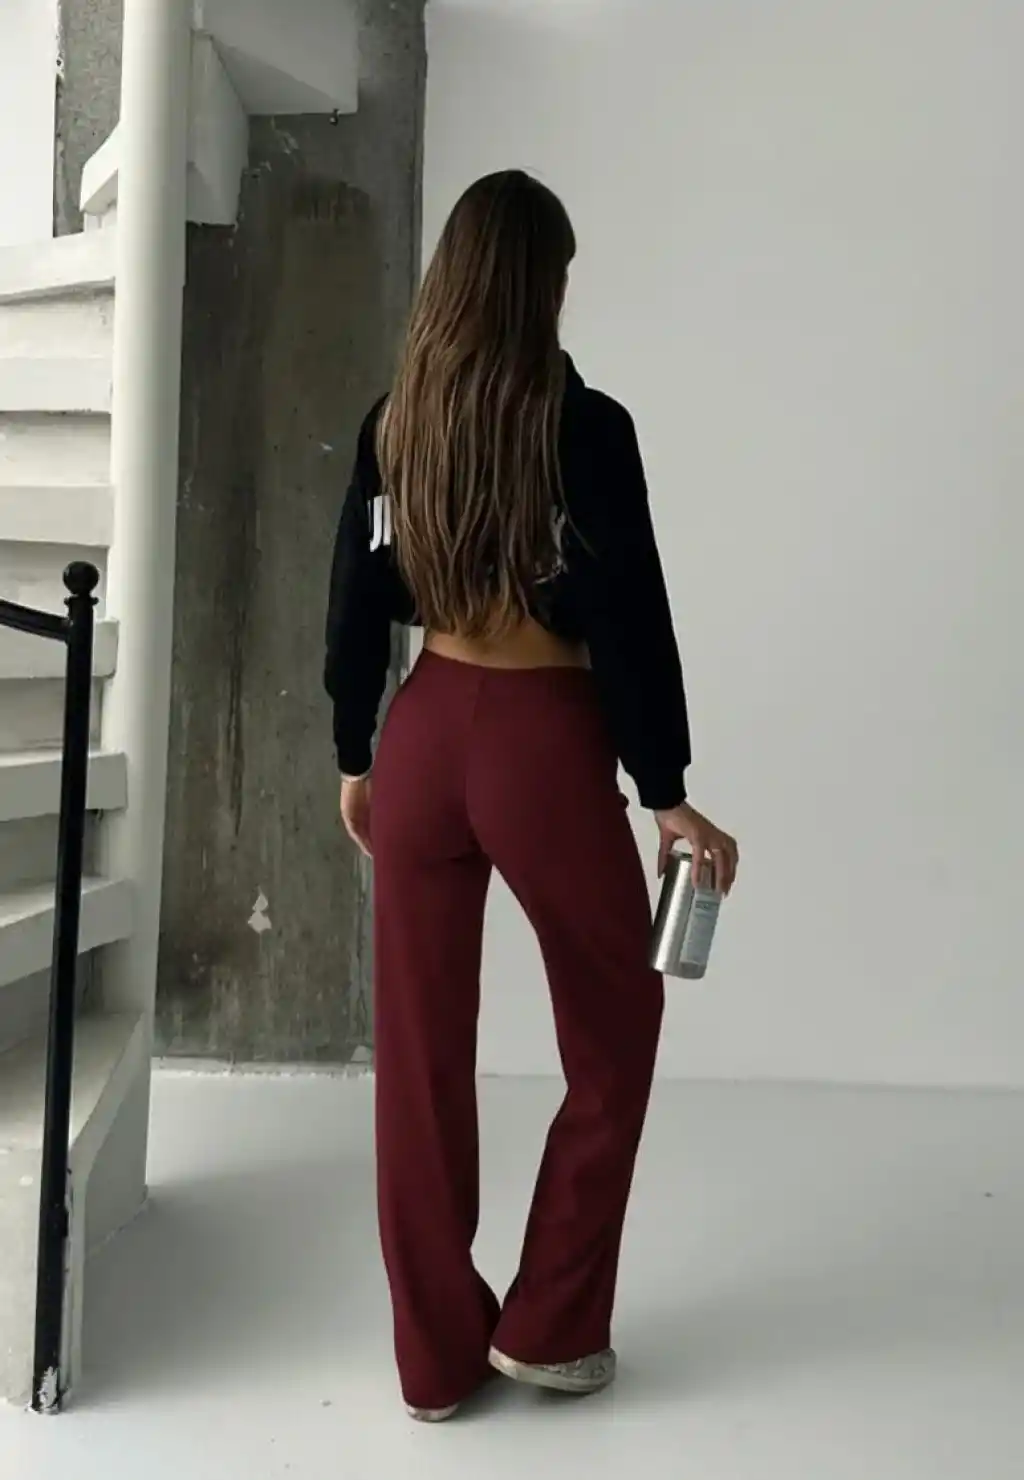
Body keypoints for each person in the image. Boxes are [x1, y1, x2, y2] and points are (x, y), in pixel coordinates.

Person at [324, 169, 738, 1423]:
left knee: (416, 1060)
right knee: (614, 1023)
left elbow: (354, 602)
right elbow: (630, 616)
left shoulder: (397, 422)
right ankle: (550, 1326)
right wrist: (666, 792)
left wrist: (357, 756)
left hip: (421, 736)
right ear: (539, 284)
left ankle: (434, 1360)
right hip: (541, 746)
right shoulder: (587, 427)